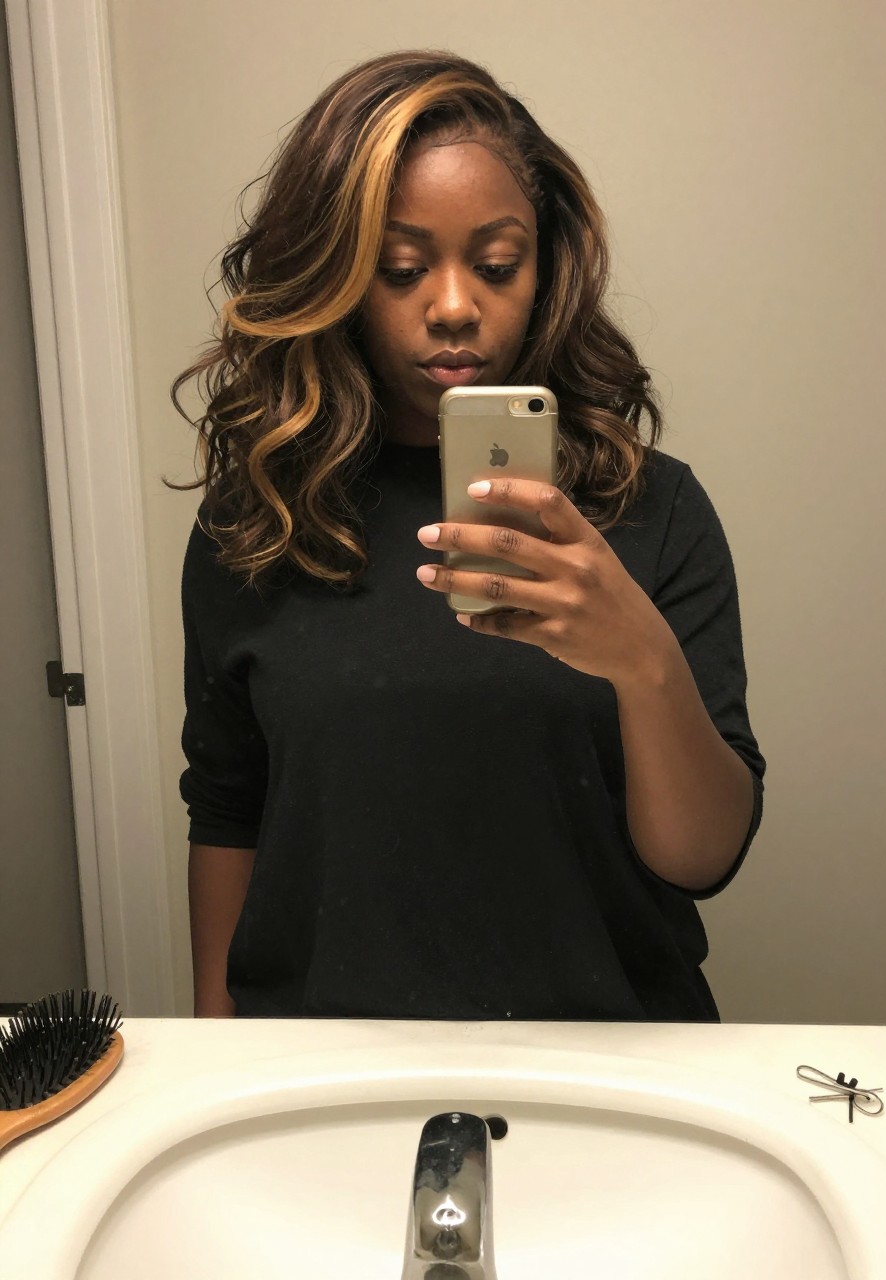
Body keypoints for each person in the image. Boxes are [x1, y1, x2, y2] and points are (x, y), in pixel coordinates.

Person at [174, 49, 765, 1021]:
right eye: (402, 268)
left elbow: (701, 858)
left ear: (545, 265)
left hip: (609, 1058)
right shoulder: (260, 521)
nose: (454, 306)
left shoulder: (651, 509)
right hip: (322, 1063)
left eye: (496, 265)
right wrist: (214, 1055)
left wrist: (643, 661)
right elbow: (228, 805)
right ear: (336, 276)